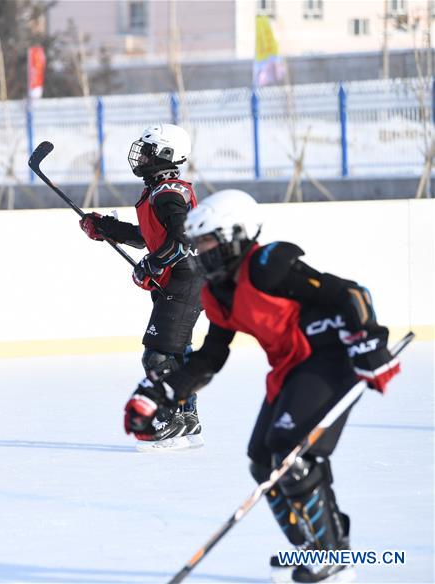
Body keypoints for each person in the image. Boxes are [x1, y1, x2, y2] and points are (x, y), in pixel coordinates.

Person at [124, 190, 402, 582]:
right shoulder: (218, 291)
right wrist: (162, 392)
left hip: (329, 360)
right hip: (290, 369)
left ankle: (331, 558)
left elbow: (351, 293)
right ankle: (315, 546)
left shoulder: (269, 266)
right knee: (261, 459)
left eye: (206, 241)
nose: (199, 251)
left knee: (292, 458)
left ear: (236, 235)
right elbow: (209, 357)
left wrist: (369, 341)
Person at [79, 123, 204, 450]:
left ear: (166, 155)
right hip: (183, 280)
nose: (142, 157)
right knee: (176, 352)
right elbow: (151, 238)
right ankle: (187, 417)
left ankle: (170, 420)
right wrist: (107, 228)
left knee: (157, 356)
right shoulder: (162, 190)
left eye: (149, 152)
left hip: (183, 279)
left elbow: (183, 240)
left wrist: (153, 264)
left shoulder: (169, 195)